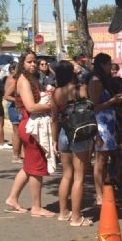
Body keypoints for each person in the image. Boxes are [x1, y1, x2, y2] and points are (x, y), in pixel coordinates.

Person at [4, 50, 55, 217]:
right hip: (31, 127)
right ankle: (36, 207)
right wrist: (52, 105)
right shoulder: (24, 81)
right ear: (22, 63)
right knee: (37, 169)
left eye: (34, 61)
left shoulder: (29, 79)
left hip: (29, 125)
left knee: (28, 167)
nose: (33, 65)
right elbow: (31, 107)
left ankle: (12, 198)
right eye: (29, 62)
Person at [52, 60, 93, 228]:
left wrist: (54, 140)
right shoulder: (78, 88)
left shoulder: (55, 93)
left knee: (67, 174)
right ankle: (76, 217)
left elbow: (54, 119)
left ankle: (64, 212)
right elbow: (89, 109)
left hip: (63, 133)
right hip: (79, 133)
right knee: (79, 177)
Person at [88, 52, 122, 206]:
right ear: (102, 65)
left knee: (105, 160)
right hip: (101, 124)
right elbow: (94, 106)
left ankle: (104, 191)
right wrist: (112, 101)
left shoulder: (104, 81)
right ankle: (99, 194)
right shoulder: (96, 81)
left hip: (108, 123)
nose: (111, 67)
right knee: (100, 161)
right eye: (108, 64)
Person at [4, 62, 23, 161]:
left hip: (14, 107)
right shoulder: (13, 81)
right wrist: (19, 100)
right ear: (13, 70)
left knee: (17, 132)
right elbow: (7, 96)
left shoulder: (11, 79)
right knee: (17, 132)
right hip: (14, 108)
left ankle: (17, 154)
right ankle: (16, 155)